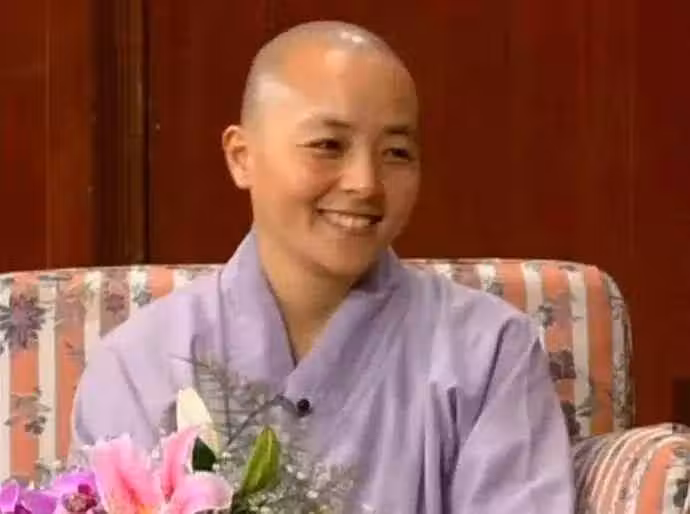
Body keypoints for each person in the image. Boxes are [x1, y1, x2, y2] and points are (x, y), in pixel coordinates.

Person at [71, 21, 574, 513]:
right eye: (328, 146)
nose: (365, 183)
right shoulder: (141, 362)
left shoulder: (489, 350)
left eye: (397, 153)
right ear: (241, 156)